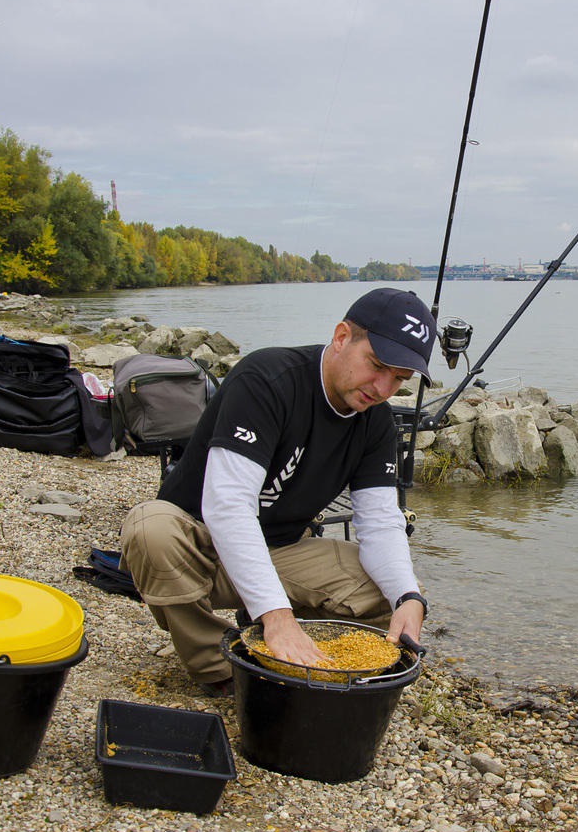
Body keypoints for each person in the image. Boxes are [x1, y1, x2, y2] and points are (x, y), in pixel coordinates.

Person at [119, 287, 435, 695]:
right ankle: (224, 669)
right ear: (341, 337)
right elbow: (228, 507)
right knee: (150, 528)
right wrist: (277, 613)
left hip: (281, 551)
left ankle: (309, 656)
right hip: (198, 551)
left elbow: (380, 523)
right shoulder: (267, 379)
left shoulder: (375, 421)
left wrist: (409, 597)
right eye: (376, 365)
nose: (382, 388)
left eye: (400, 378)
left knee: (388, 590)